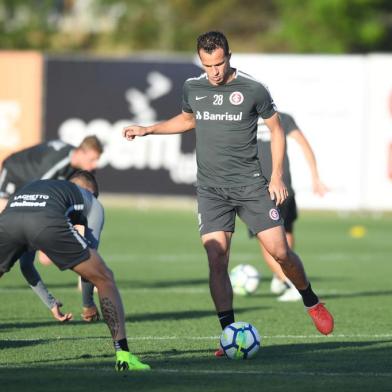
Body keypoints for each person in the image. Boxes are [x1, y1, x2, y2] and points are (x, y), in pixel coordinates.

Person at [123, 31, 334, 357]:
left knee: (280, 251)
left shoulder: (253, 88)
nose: (215, 71)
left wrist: (276, 176)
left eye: (219, 63)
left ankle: (310, 299)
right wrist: (148, 129)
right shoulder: (193, 87)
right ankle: (229, 333)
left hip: (251, 186)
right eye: (208, 65)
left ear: (229, 56)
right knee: (216, 258)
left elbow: (277, 130)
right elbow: (187, 119)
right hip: (211, 190)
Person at [0, 171, 150, 371]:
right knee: (105, 277)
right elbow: (92, 268)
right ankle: (123, 356)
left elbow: (26, 264)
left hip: (8, 218)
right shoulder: (91, 202)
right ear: (90, 191)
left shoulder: (36, 187)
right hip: (46, 221)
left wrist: (50, 302)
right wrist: (88, 304)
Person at [0, 136, 104, 321]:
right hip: (14, 174)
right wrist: (45, 242)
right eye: (93, 159)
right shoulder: (56, 165)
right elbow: (41, 200)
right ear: (81, 152)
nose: (95, 165)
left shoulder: (70, 170)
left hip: (28, 197)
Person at [252, 112, 329, 302]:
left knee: (266, 240)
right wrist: (315, 177)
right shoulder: (281, 117)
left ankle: (290, 282)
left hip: (260, 189)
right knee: (284, 234)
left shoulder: (244, 118)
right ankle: (283, 277)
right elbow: (304, 145)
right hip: (283, 186)